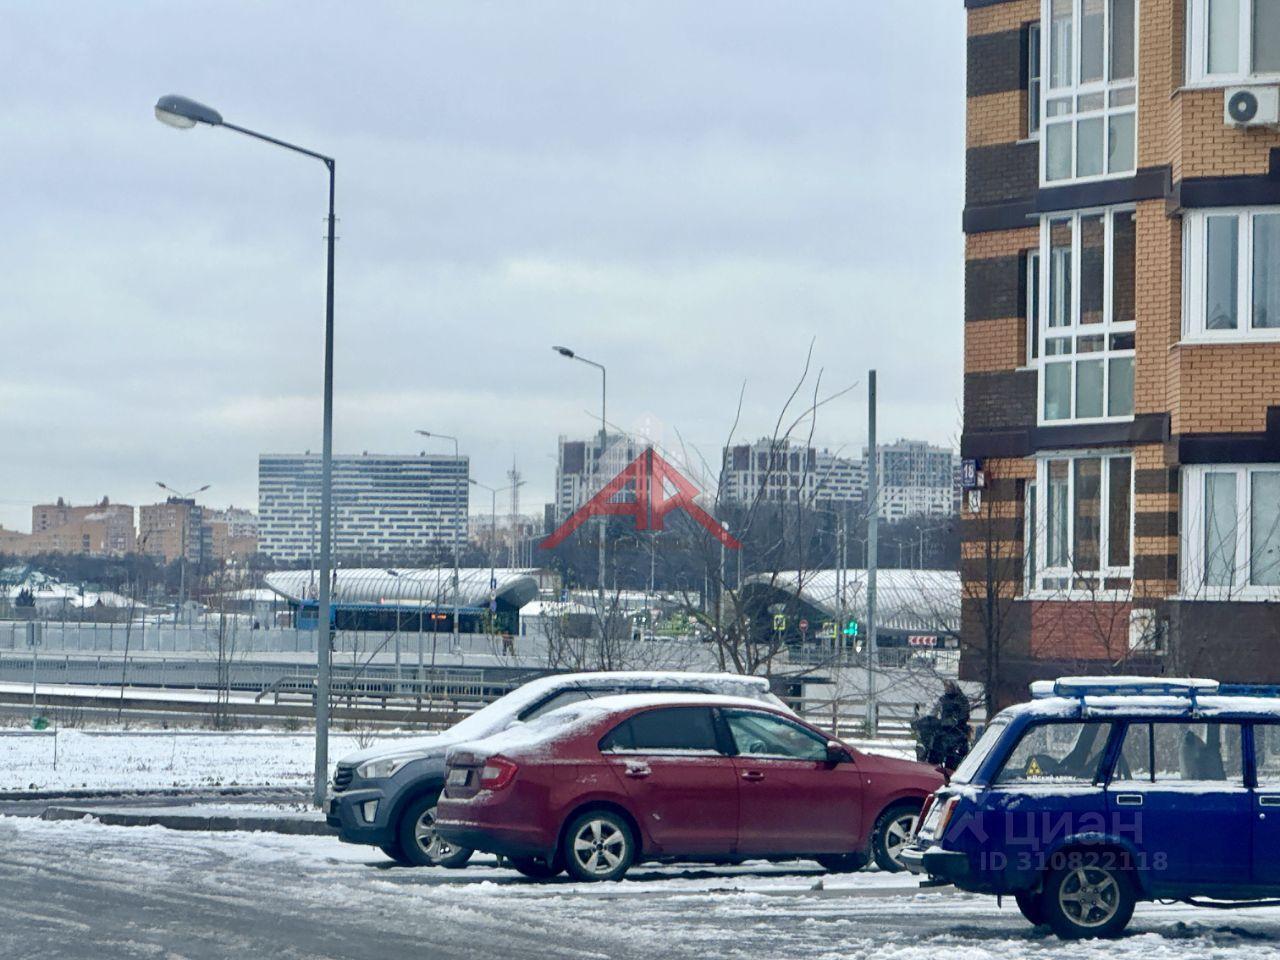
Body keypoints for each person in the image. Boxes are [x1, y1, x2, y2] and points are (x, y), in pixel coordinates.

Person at [912, 681, 972, 770]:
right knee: (935, 749)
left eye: (949, 686)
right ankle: (931, 766)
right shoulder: (943, 699)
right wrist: (928, 719)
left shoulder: (962, 700)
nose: (947, 689)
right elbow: (933, 712)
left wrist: (955, 721)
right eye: (946, 687)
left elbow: (964, 715)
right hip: (943, 729)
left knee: (953, 756)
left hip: (958, 731)